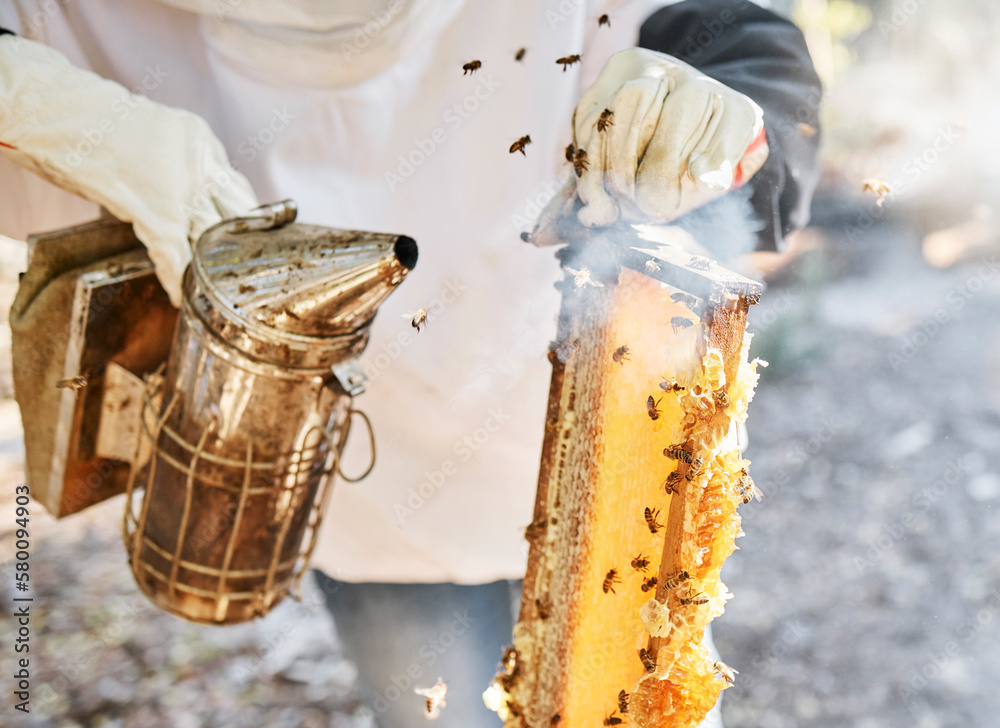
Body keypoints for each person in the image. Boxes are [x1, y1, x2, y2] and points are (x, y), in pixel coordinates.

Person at [0, 1, 820, 726]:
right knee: (438, 708)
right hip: (354, 465)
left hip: (590, 405)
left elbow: (739, 34)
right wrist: (56, 109)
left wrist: (725, 106)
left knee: (636, 685)